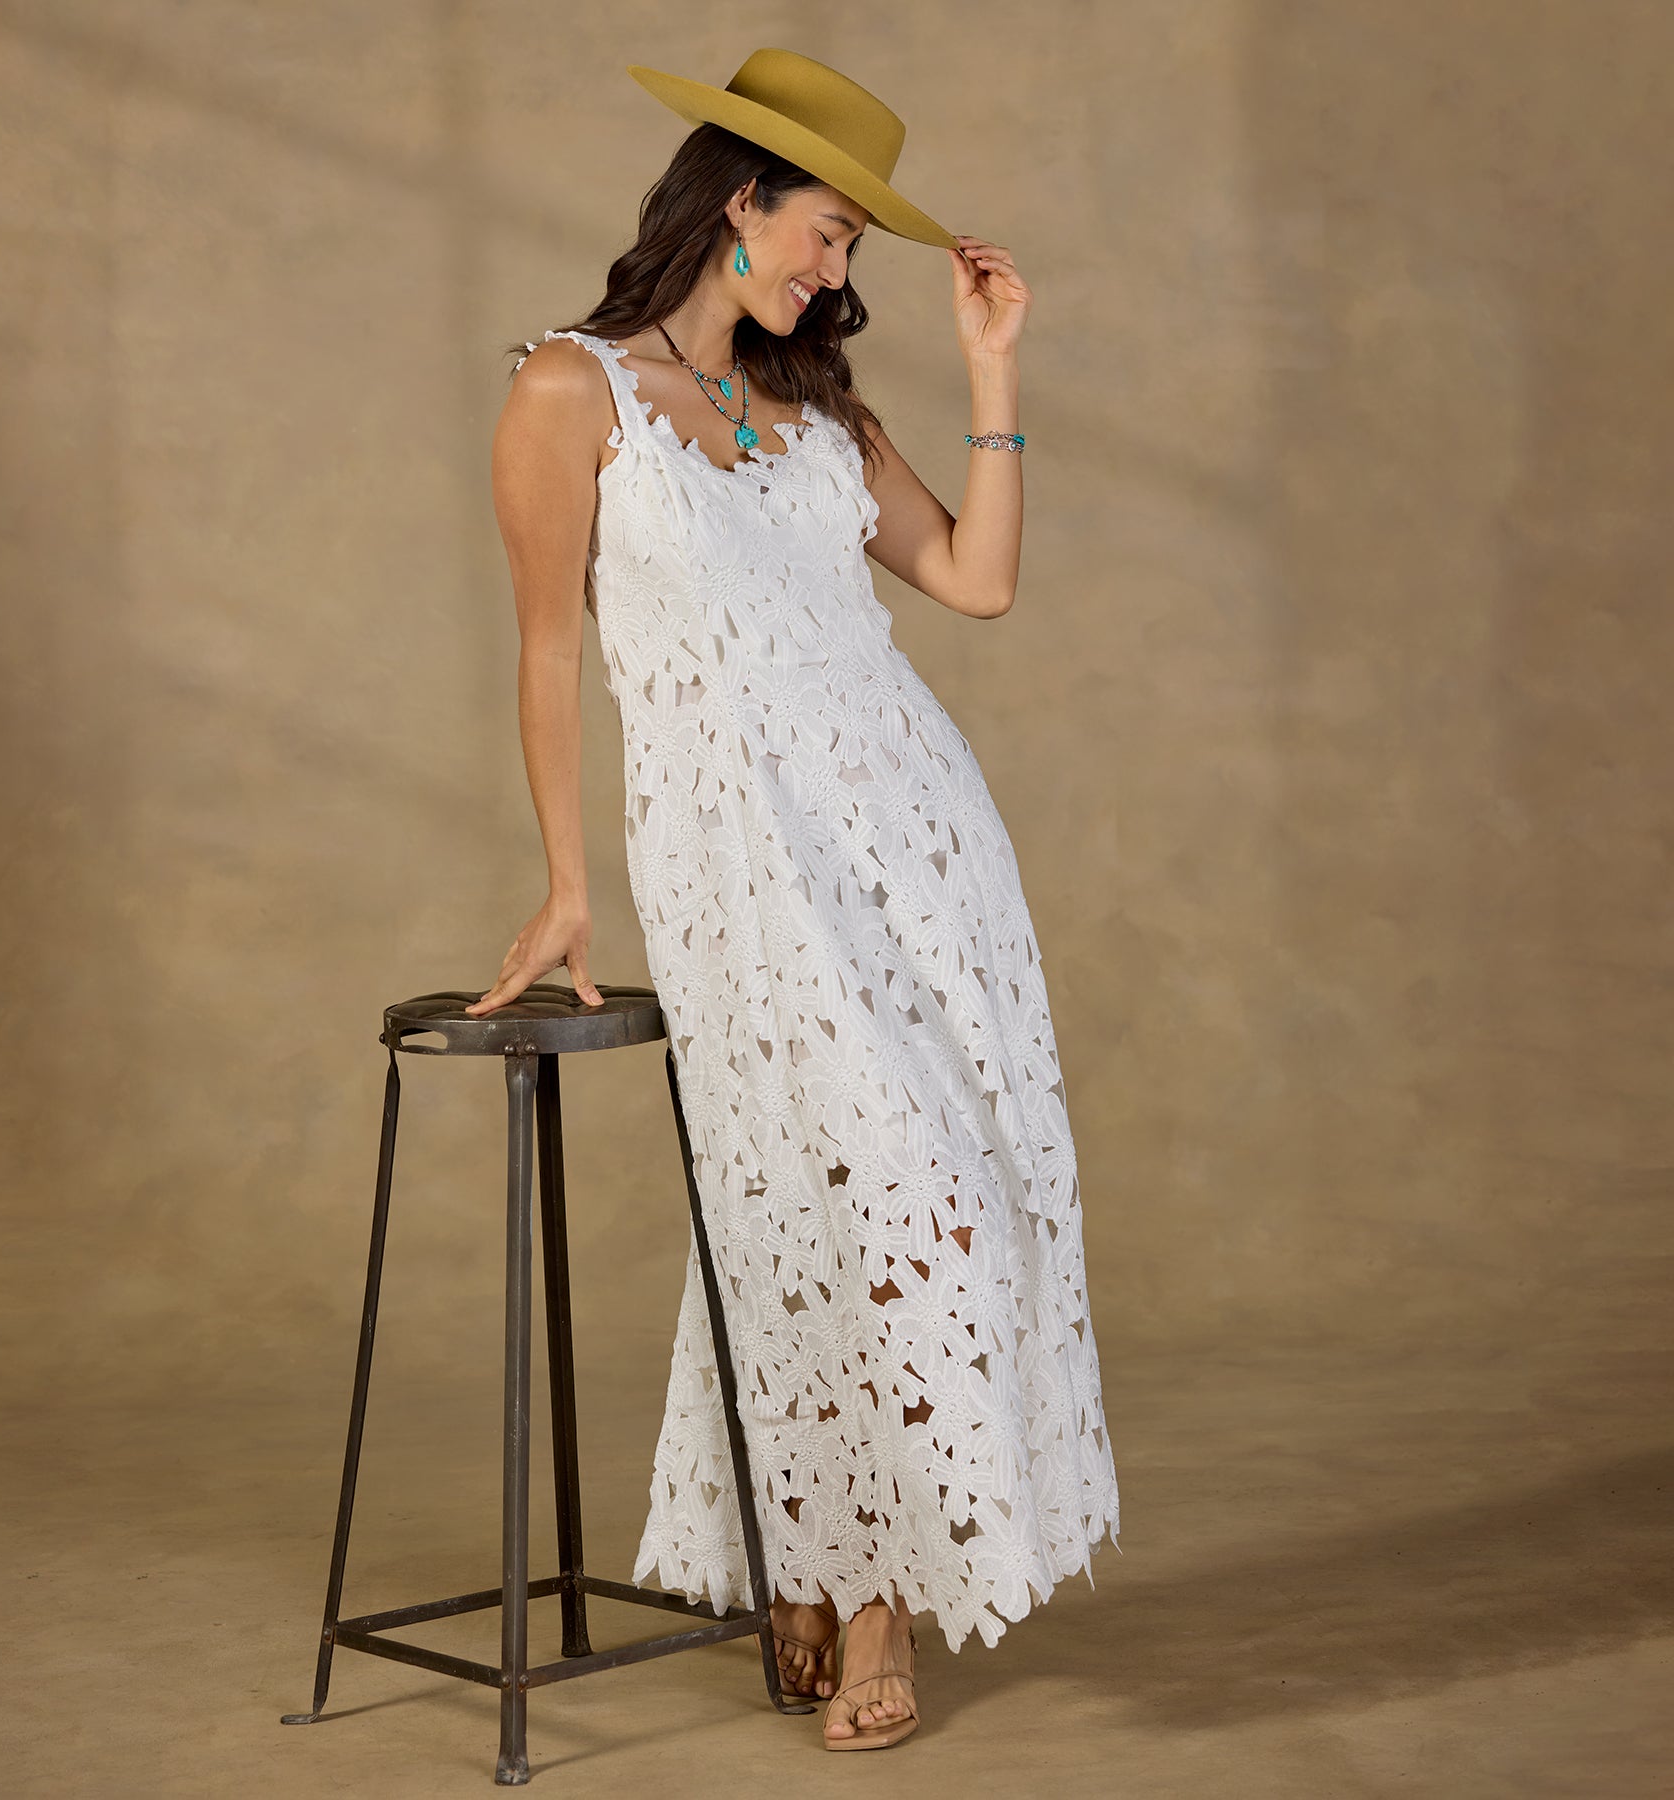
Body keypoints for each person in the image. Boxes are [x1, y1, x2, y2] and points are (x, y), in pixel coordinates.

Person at [467, 48, 1121, 1753]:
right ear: (737, 199)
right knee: (811, 1200)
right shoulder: (571, 392)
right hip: (740, 864)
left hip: (922, 844)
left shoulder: (821, 412)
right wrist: (567, 880)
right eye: (826, 232)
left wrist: (993, 371)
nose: (836, 274)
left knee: (939, 1188)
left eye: (850, 250)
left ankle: (866, 1582)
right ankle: (824, 1549)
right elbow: (549, 652)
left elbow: (975, 581)